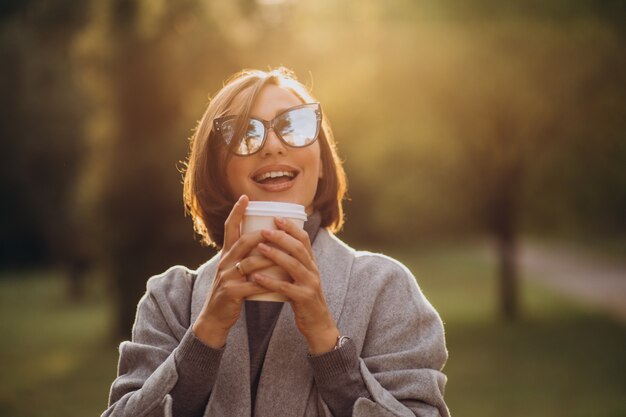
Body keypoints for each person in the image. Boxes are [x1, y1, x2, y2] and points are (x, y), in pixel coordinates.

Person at [102, 67, 450, 417]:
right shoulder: (170, 300)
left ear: (323, 164)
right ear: (218, 172)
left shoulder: (385, 288)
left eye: (294, 126)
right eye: (244, 134)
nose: (271, 145)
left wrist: (327, 342)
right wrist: (204, 336)